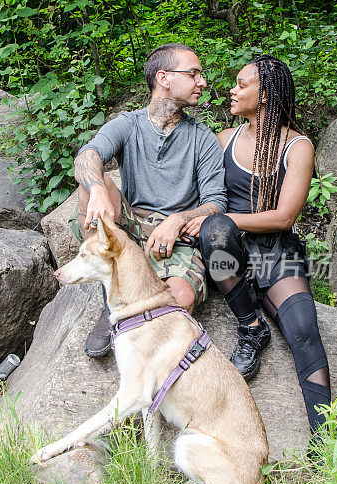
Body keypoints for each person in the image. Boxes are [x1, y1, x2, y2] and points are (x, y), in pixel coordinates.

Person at [184, 55, 331, 435]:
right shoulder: (223, 140)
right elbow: (203, 200)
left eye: (241, 84)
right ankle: (251, 327)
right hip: (225, 252)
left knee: (303, 328)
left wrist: (225, 219)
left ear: (265, 95)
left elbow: (284, 218)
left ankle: (328, 438)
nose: (232, 90)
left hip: (274, 253)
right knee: (215, 229)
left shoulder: (297, 146)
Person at [71, 43, 227, 358]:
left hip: (177, 238)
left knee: (180, 300)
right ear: (164, 77)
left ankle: (132, 314)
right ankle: (112, 295)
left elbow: (216, 202)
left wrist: (177, 220)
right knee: (89, 185)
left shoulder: (203, 139)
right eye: (193, 73)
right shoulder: (128, 124)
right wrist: (99, 187)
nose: (203, 82)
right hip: (129, 226)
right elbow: (87, 155)